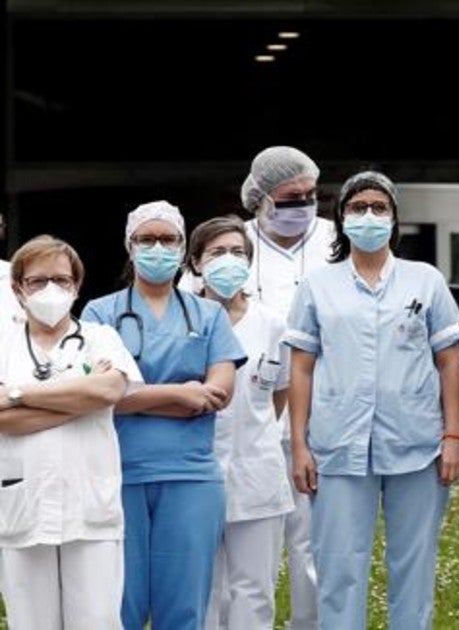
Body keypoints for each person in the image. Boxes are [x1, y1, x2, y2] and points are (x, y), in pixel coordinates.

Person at [285, 171, 459, 630]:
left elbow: (449, 362)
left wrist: (454, 435)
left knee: (414, 564)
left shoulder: (424, 280)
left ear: (394, 218)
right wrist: (300, 445)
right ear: (342, 218)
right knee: (339, 567)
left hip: (418, 442)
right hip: (338, 445)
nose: (368, 216)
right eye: (358, 207)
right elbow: (301, 367)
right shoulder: (317, 285)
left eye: (379, 208)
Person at [82, 201, 246, 630]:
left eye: (169, 239)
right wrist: (180, 392)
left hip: (191, 478)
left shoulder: (208, 314)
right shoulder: (100, 314)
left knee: (185, 607)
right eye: (147, 239)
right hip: (118, 475)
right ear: (129, 247)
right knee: (120, 607)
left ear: (182, 248)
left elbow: (218, 394)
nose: (158, 248)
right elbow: (98, 396)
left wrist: (135, 394)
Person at [0, 236, 142, 630]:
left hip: (89, 503)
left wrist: (15, 393)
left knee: (96, 621)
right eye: (37, 280)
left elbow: (110, 390)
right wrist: (78, 400)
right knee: (30, 623)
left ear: (77, 287)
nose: (51, 290)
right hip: (21, 503)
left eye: (62, 280)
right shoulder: (4, 343)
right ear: (17, 289)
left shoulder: (101, 337)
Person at [238, 146, 332, 630]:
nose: (303, 204)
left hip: (324, 414)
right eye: (290, 197)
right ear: (260, 196)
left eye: (310, 194)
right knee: (248, 552)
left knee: (313, 544)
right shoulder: (233, 247)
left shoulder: (335, 240)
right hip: (251, 421)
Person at [187, 217, 294, 630]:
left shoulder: (271, 324)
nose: (228, 261)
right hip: (197, 468)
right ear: (196, 263)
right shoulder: (184, 320)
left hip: (258, 469)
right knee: (204, 587)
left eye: (237, 253)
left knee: (255, 587)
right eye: (216, 253)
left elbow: (278, 393)